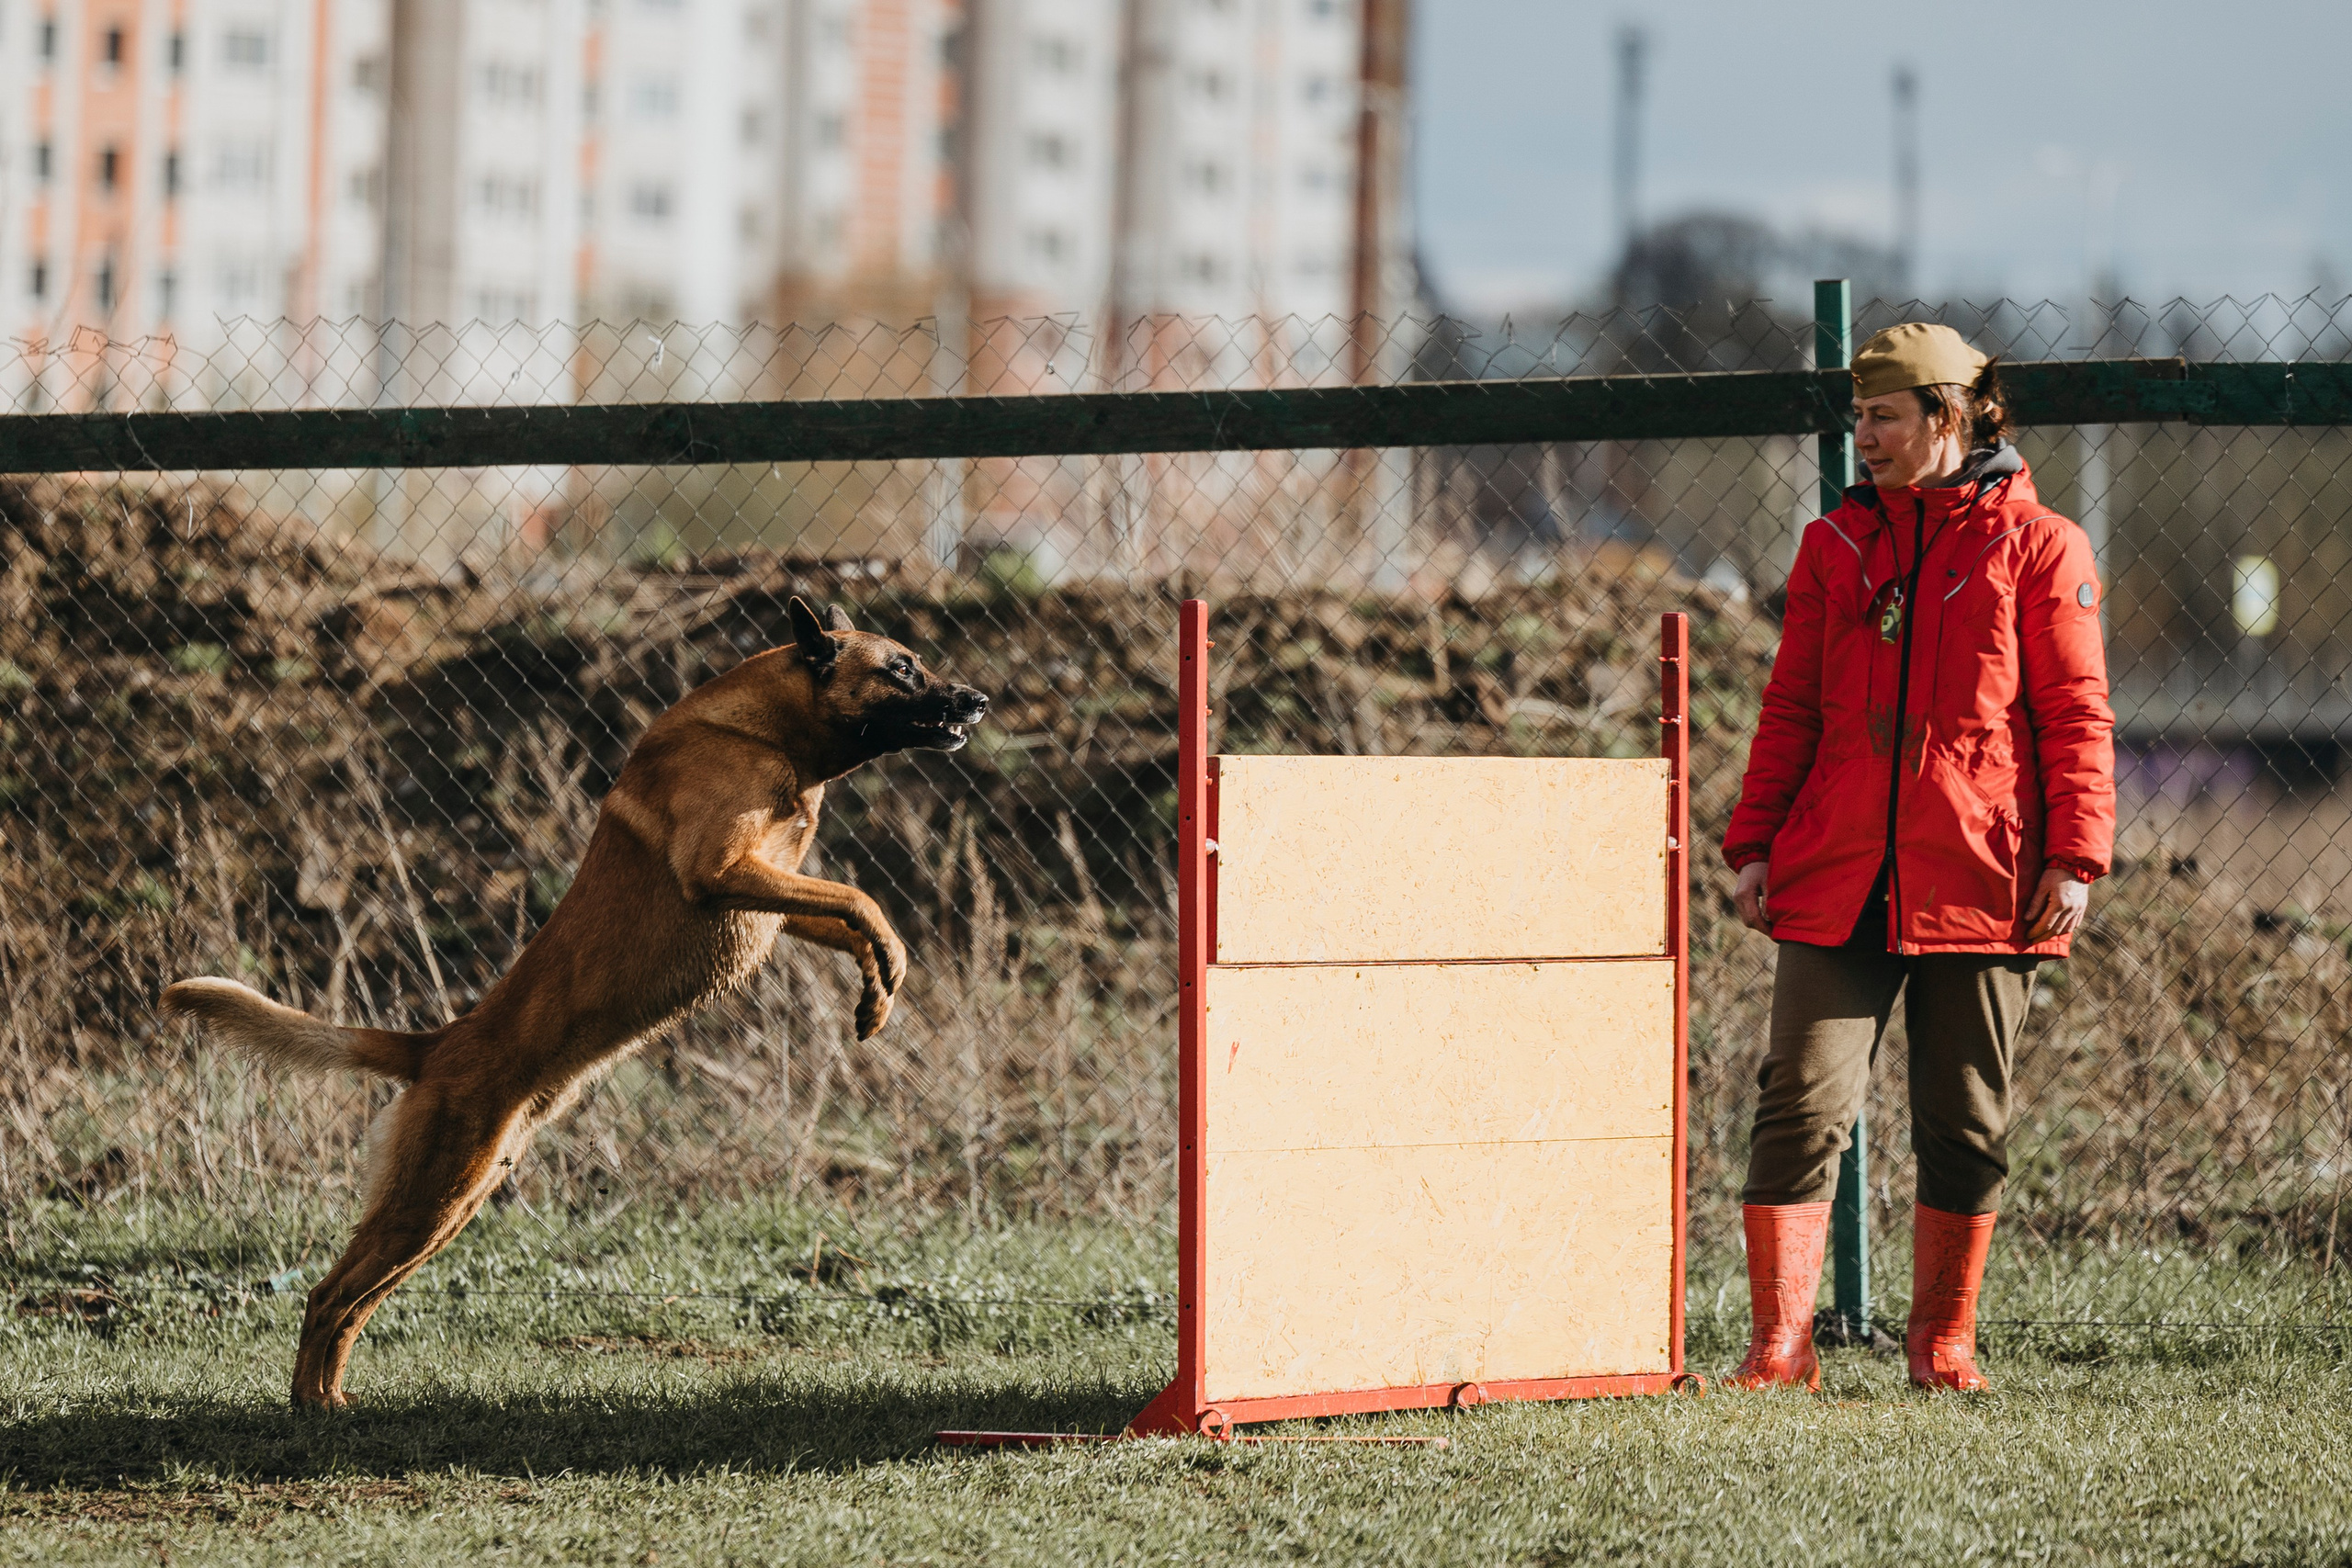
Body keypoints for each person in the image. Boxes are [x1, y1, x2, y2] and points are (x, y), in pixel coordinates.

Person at [1718, 321, 2115, 1393]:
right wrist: (1754, 843)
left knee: (1964, 1120)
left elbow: (2075, 713)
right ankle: (1778, 1349)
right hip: (1835, 872)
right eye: (1858, 416)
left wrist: (2075, 857)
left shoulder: (2040, 547)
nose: (1864, 437)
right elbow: (1791, 707)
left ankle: (1942, 1345)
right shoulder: (1833, 545)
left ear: (1951, 416)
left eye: (1884, 417)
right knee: (1798, 1103)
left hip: (1983, 876)